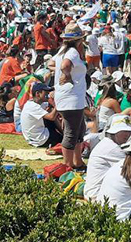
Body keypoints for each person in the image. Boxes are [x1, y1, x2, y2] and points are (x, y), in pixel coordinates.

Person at [55, 22, 88, 169]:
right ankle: (68, 165)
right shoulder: (72, 53)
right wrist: (66, 75)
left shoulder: (62, 51)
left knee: (79, 130)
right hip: (71, 98)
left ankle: (77, 161)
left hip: (70, 97)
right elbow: (65, 66)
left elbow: (52, 64)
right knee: (71, 132)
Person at [84, 114, 131, 202]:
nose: (128, 134)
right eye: (123, 131)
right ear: (114, 132)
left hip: (95, 194)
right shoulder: (111, 148)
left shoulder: (110, 143)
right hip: (97, 197)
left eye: (129, 131)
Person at [19, 82, 64, 149]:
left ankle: (64, 134)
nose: (47, 94)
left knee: (51, 112)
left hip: (34, 137)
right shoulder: (33, 106)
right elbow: (51, 117)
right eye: (45, 92)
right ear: (38, 94)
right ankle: (65, 135)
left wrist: (52, 103)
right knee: (62, 139)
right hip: (39, 139)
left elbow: (49, 107)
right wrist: (57, 103)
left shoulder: (34, 103)